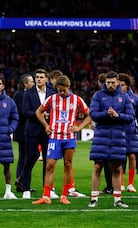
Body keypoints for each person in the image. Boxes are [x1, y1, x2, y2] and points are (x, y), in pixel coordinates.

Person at [32, 75, 92, 205]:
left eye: (64, 90)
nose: (62, 92)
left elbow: (89, 115)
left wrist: (79, 127)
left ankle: (64, 195)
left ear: (68, 87)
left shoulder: (77, 100)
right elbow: (38, 112)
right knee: (49, 165)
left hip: (69, 138)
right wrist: (46, 125)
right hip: (54, 137)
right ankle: (46, 196)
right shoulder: (52, 99)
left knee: (68, 165)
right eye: (59, 90)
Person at [88, 71, 135, 208]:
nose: (110, 85)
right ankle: (94, 199)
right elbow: (93, 114)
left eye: (113, 83)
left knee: (116, 168)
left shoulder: (124, 97)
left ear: (117, 82)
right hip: (101, 136)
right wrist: (106, 113)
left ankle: (117, 200)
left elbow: (130, 117)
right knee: (97, 167)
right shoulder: (98, 96)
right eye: (108, 82)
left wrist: (117, 115)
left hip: (118, 138)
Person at [15, 69, 59, 199]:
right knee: (28, 160)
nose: (38, 79)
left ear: (46, 79)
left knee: (48, 161)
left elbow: (56, 110)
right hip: (32, 130)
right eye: (37, 77)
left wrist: (49, 115)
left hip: (47, 131)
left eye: (41, 77)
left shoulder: (53, 93)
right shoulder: (28, 93)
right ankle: (26, 189)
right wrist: (39, 114)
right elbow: (25, 111)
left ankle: (48, 190)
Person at [118, 73, 138, 193]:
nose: (120, 87)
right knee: (119, 157)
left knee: (132, 156)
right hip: (118, 129)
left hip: (131, 130)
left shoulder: (134, 98)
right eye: (118, 84)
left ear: (127, 86)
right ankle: (121, 183)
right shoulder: (114, 97)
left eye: (122, 85)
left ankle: (130, 183)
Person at [13, 74, 34, 198]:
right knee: (29, 155)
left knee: (25, 156)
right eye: (31, 81)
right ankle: (21, 179)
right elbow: (21, 113)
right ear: (25, 84)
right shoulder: (20, 95)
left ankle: (21, 181)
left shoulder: (21, 94)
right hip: (23, 131)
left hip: (23, 130)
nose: (33, 83)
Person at [93, 72, 113, 195]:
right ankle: (111, 188)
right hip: (105, 134)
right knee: (108, 164)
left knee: (103, 164)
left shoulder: (100, 96)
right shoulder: (98, 96)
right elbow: (93, 114)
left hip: (106, 135)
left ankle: (112, 188)